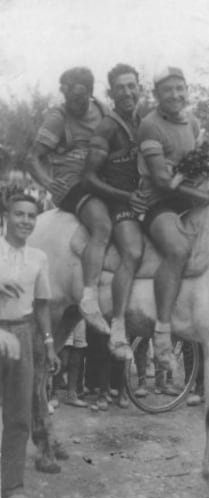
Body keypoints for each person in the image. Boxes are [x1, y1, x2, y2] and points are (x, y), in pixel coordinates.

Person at [137, 66, 209, 374]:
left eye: (180, 88)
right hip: (158, 203)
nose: (176, 95)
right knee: (178, 250)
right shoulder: (150, 125)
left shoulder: (192, 122)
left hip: (188, 200)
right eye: (168, 90)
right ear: (156, 95)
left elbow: (193, 168)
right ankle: (163, 332)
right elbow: (163, 182)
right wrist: (203, 195)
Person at [27, 67, 110, 335]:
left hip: (99, 179)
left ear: (89, 92)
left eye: (80, 98)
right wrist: (49, 183)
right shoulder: (57, 118)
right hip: (72, 184)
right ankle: (89, 297)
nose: (74, 104)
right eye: (70, 97)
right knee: (101, 225)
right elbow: (34, 158)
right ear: (64, 92)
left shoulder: (102, 110)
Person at [0, 194, 59, 498]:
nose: (25, 221)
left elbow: (42, 304)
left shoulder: (39, 258)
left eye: (31, 216)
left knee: (19, 415)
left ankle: (10, 485)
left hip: (23, 334)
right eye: (19, 214)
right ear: (5, 215)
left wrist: (49, 343)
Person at [83, 63, 145, 360]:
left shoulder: (144, 122)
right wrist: (125, 196)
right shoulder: (107, 127)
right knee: (132, 252)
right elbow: (89, 178)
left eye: (132, 86)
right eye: (120, 88)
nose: (127, 92)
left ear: (140, 88)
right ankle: (119, 325)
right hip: (119, 201)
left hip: (145, 199)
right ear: (111, 93)